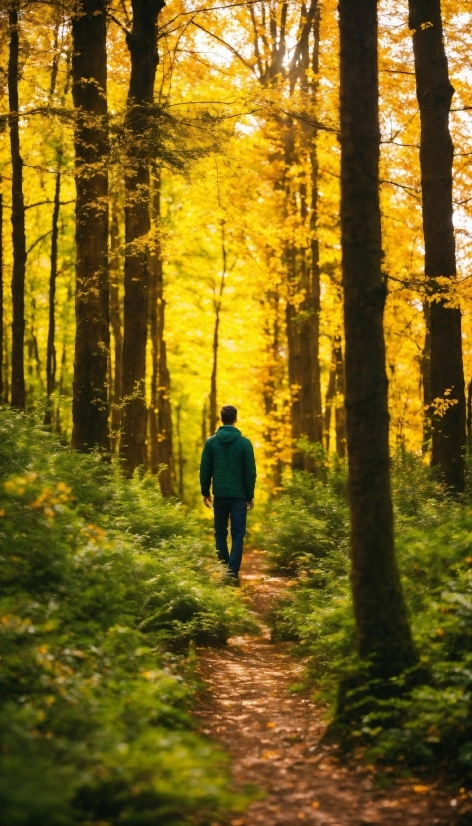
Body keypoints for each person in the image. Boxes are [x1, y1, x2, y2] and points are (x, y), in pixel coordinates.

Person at [199, 405, 256, 583]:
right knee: (238, 534)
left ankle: (224, 571)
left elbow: (205, 470)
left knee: (220, 533)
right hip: (239, 496)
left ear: (221, 419)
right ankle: (232, 573)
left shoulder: (211, 443)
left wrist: (205, 491)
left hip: (220, 495)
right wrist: (249, 495)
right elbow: (250, 473)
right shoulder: (244, 443)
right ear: (235, 419)